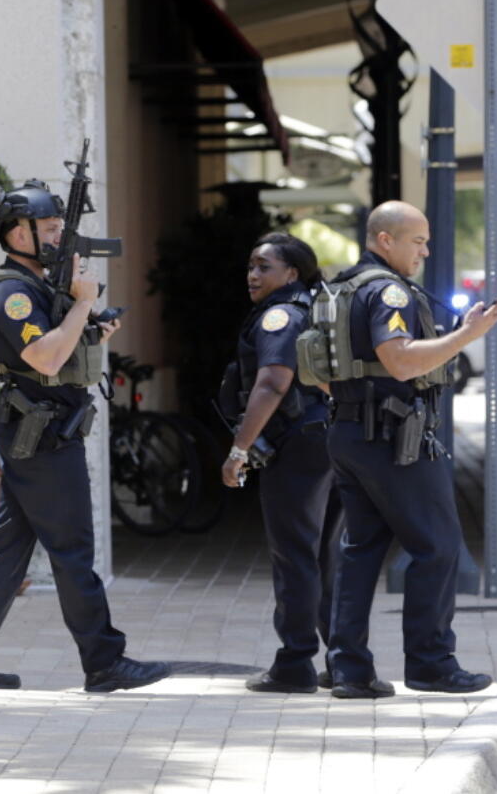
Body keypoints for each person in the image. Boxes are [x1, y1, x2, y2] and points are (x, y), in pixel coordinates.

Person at [0, 179, 169, 694]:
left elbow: (55, 353)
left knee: (6, 548)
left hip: (39, 429)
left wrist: (88, 327)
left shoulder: (37, 287)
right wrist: (83, 305)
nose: (61, 237)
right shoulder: (11, 293)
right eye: (50, 228)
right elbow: (43, 358)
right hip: (41, 436)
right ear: (17, 234)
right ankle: (104, 662)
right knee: (72, 549)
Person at [325, 200, 497, 698]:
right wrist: (468, 335)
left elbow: (323, 368)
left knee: (361, 551)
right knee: (438, 545)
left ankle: (349, 669)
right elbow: (400, 362)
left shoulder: (345, 287)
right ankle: (431, 665)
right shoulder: (389, 292)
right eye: (417, 241)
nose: (425, 251)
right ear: (386, 240)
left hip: (350, 433)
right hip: (391, 438)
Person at [219, 233, 344, 694]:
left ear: (291, 273)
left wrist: (238, 450)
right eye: (250, 265)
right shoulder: (312, 307)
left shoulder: (280, 315)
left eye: (263, 266)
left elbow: (271, 383)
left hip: (297, 447)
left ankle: (294, 664)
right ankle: (345, 660)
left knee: (294, 557)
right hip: (328, 442)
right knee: (324, 557)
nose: (252, 274)